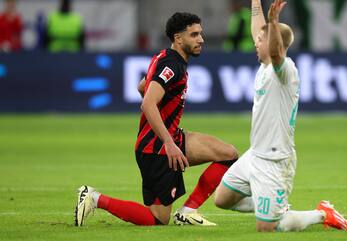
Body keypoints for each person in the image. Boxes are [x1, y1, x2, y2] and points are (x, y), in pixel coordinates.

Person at [74, 12, 238, 227]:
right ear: (178, 38)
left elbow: (142, 87)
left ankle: (188, 211)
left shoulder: (164, 58)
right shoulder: (172, 67)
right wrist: (168, 143)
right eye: (194, 35)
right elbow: (147, 103)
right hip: (157, 149)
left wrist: (168, 124)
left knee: (228, 154)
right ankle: (94, 198)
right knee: (157, 219)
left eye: (201, 34)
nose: (201, 40)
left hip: (167, 138)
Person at [214, 0, 347, 232]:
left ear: (274, 43)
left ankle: (321, 213)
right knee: (222, 199)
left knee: (268, 228)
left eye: (261, 40)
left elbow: (276, 52)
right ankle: (274, 206)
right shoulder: (265, 65)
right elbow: (259, 30)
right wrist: (256, 2)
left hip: (275, 161)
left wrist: (274, 22)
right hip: (255, 155)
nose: (256, 42)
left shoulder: (285, 70)